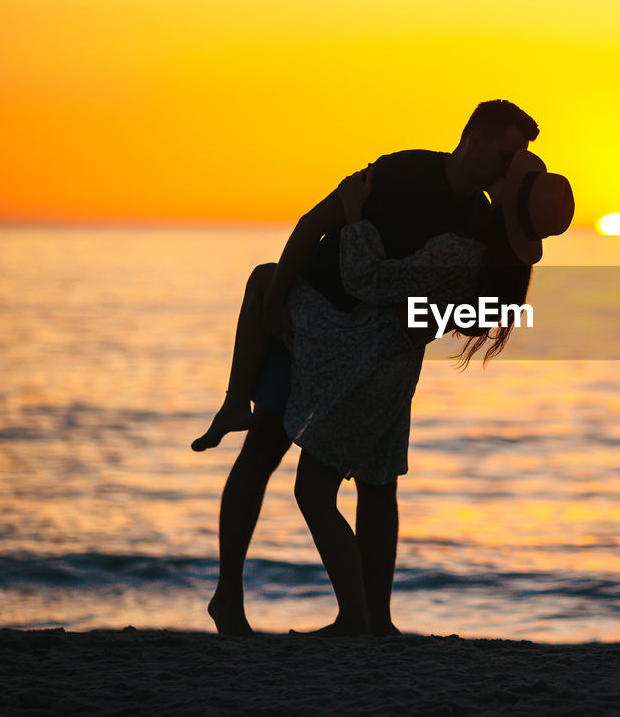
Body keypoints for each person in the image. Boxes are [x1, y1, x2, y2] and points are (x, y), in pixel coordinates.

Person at [193, 101, 572, 635]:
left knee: (372, 486)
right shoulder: (405, 170)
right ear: (474, 138)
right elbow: (314, 222)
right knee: (264, 453)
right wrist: (279, 301)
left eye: (520, 159)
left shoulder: (479, 223)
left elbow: (469, 306)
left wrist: (421, 320)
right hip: (307, 321)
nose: (510, 167)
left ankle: (370, 620)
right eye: (509, 154)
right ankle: (233, 596)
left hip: (361, 356)